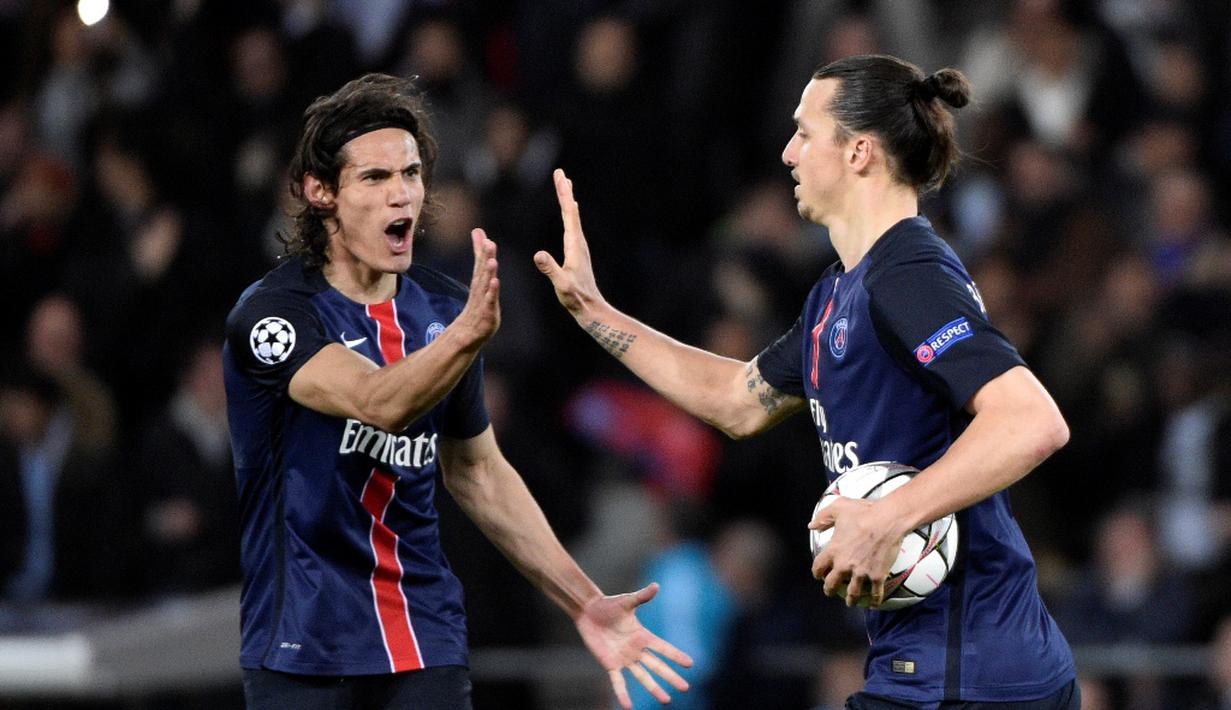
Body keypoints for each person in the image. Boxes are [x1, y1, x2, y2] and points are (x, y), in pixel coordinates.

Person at [536, 55, 1078, 708]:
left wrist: (887, 519)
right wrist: (595, 314)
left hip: (972, 672)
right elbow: (735, 401)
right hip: (933, 667)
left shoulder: (907, 275)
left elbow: (1030, 421)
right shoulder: (834, 296)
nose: (788, 153)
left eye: (803, 132)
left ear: (857, 153)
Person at [223, 73, 691, 710]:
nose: (402, 197)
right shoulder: (274, 318)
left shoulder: (442, 310)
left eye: (411, 175)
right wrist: (465, 338)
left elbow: (478, 473)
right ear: (320, 192)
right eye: (375, 178)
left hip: (423, 640)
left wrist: (585, 600)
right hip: (303, 646)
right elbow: (377, 402)